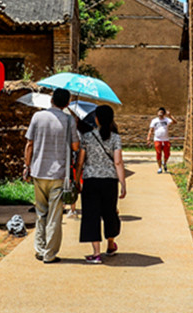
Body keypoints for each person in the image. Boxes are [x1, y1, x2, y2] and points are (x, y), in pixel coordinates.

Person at [23, 88, 80, 264]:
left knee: (41, 212)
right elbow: (76, 147)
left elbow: (29, 144)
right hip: (59, 174)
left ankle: (39, 250)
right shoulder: (69, 120)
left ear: (51, 100)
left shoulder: (37, 117)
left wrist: (27, 166)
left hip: (38, 171)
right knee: (55, 215)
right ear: (67, 103)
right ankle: (49, 253)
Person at [78, 105, 125, 263]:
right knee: (110, 212)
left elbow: (80, 161)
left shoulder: (87, 137)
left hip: (91, 180)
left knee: (92, 215)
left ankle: (96, 254)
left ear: (96, 119)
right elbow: (118, 162)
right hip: (110, 181)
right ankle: (110, 244)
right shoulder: (115, 138)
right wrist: (123, 184)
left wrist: (78, 178)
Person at [147, 107, 176, 173]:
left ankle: (164, 162)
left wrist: (170, 116)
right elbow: (151, 130)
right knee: (158, 153)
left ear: (164, 114)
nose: (160, 114)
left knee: (167, 154)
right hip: (157, 139)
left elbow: (175, 122)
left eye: (162, 113)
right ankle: (160, 168)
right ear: (157, 113)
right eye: (159, 112)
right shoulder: (154, 121)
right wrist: (148, 138)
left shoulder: (167, 120)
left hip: (165, 139)